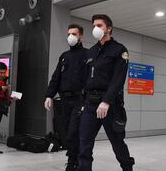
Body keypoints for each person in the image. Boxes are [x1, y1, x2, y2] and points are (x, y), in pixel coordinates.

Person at [78, 14, 134, 171]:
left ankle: (127, 167)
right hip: (90, 104)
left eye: (99, 25)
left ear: (109, 28)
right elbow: (85, 79)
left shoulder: (119, 50)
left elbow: (118, 79)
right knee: (84, 142)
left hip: (110, 104)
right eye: (94, 25)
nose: (95, 28)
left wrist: (106, 101)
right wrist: (83, 103)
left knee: (117, 142)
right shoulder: (91, 52)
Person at [44, 24, 88, 171]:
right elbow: (56, 77)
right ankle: (72, 159)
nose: (71, 37)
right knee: (67, 133)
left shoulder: (88, 55)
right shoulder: (64, 56)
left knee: (74, 131)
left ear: (81, 36)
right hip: (64, 100)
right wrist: (49, 95)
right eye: (69, 34)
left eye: (74, 34)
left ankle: (74, 162)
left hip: (79, 99)